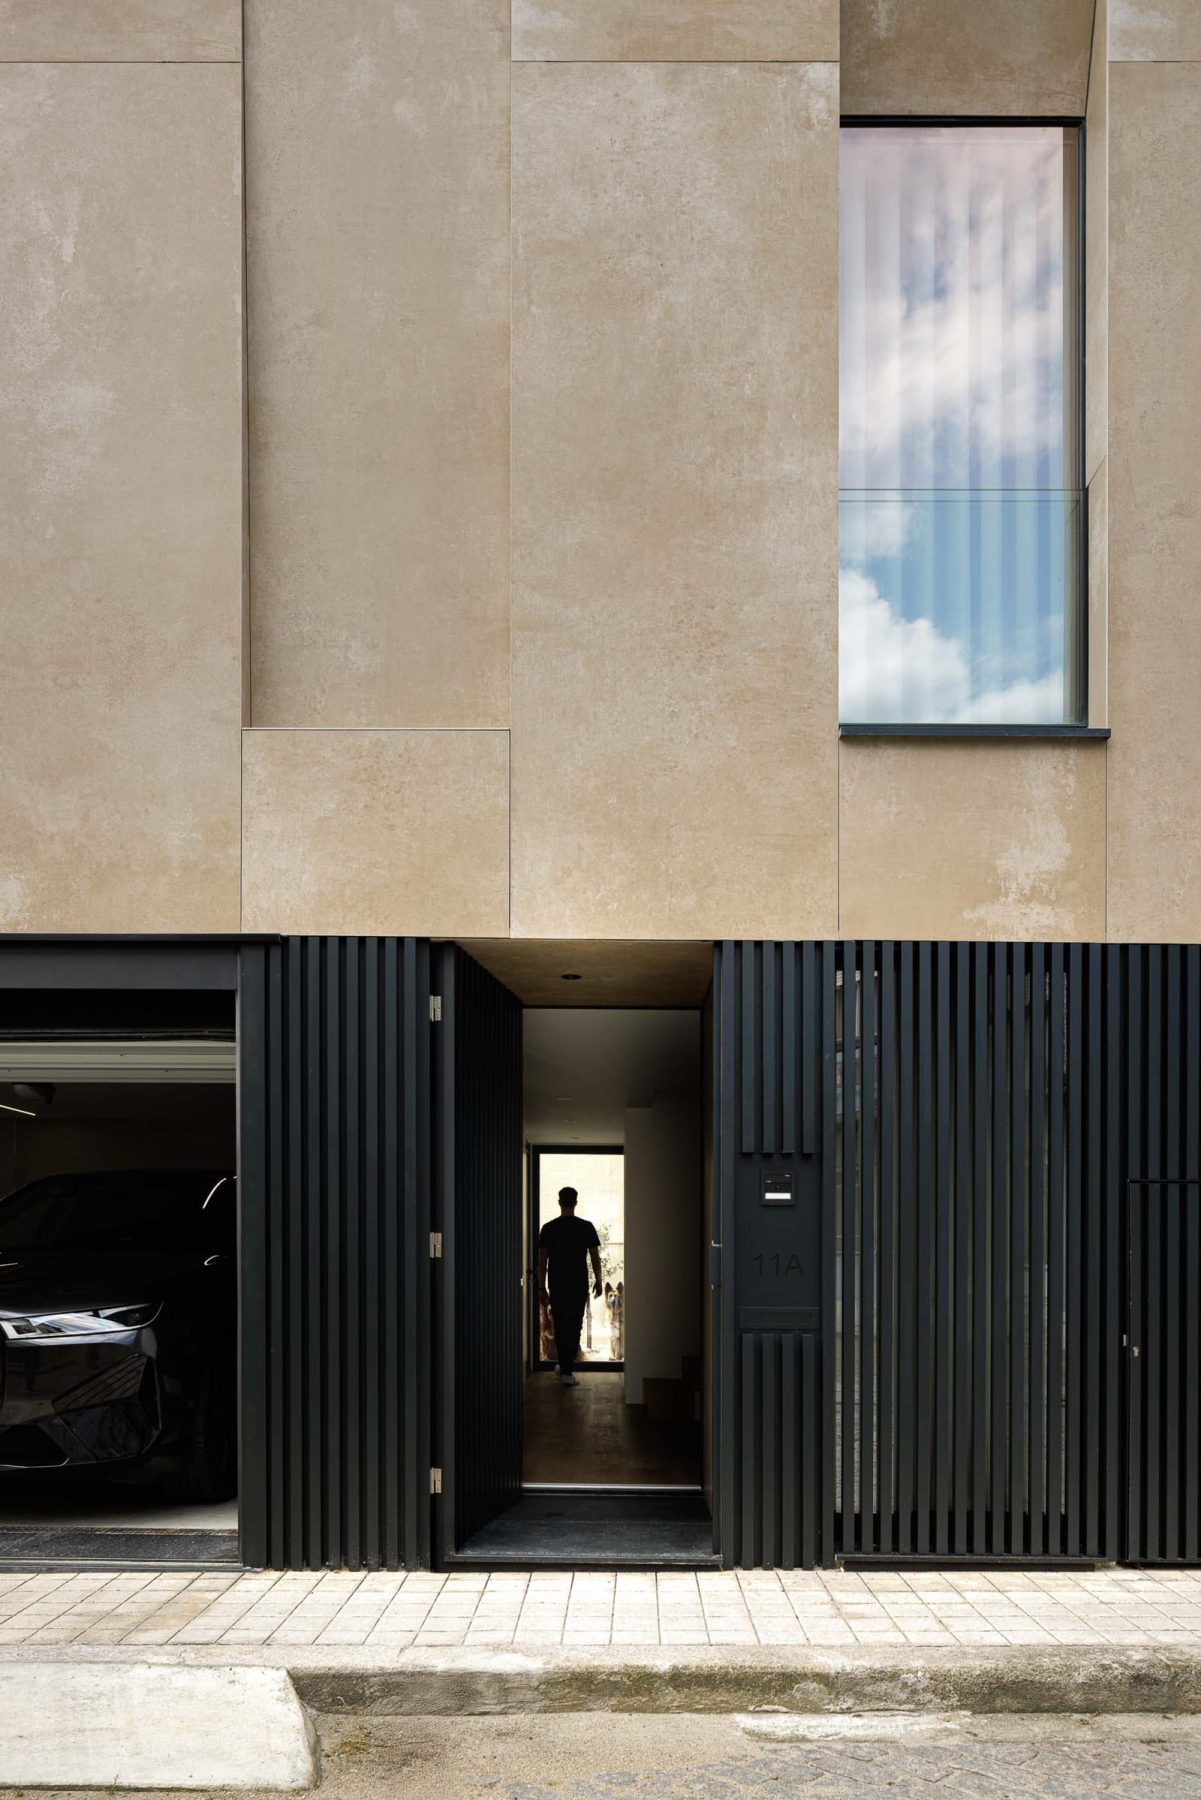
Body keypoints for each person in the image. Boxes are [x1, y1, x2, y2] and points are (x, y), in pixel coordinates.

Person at [537, 1186, 602, 1387]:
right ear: (575, 1202)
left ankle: (564, 1367)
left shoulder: (548, 1228)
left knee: (561, 1326)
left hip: (557, 1285)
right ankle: (566, 1370)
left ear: (559, 1202)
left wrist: (541, 1288)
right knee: (575, 1326)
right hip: (578, 1284)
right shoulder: (586, 1227)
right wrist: (599, 1280)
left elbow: (542, 1262)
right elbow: (595, 1258)